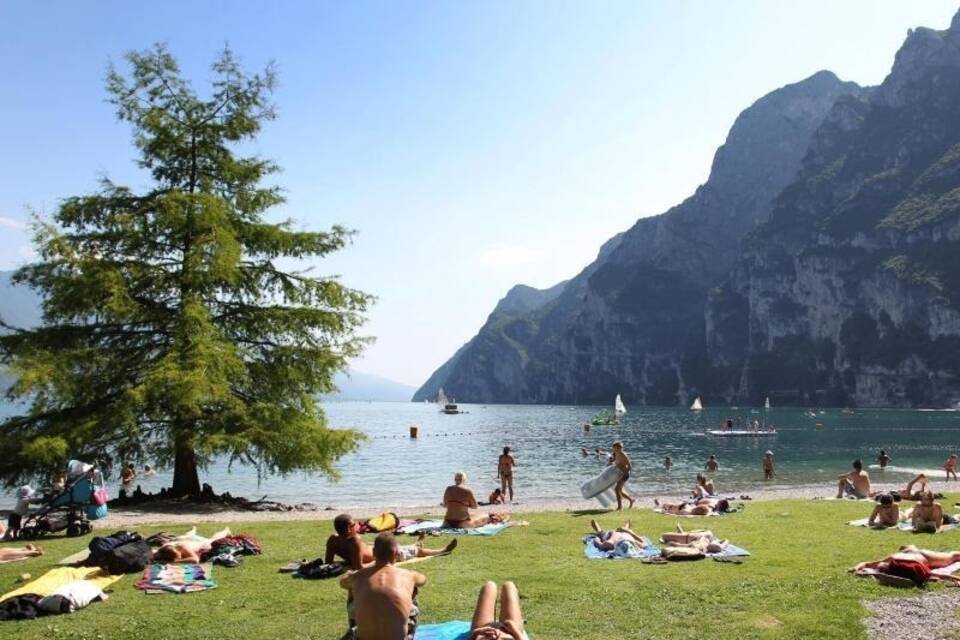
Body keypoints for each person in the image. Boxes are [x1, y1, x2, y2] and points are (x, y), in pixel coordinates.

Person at [340, 533, 427, 640]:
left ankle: (355, 626)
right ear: (396, 553)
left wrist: (356, 574)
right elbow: (423, 580)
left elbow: (343, 582)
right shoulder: (409, 576)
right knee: (413, 588)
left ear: (373, 553)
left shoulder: (357, 576)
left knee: (352, 588)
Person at [325, 514, 456, 570]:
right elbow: (358, 568)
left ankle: (416, 542)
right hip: (383, 555)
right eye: (354, 525)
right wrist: (376, 562)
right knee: (415, 552)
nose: (357, 527)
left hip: (374, 549)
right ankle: (443, 550)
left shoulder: (333, 539)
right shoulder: (354, 540)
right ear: (349, 529)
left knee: (397, 545)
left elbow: (328, 562)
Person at [851, 545, 960, 584]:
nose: (879, 565)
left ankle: (909, 547)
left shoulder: (894, 559)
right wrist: (855, 568)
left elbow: (933, 575)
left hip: (923, 555)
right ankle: (909, 547)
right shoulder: (892, 559)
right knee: (951, 556)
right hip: (916, 554)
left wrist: (855, 569)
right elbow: (865, 564)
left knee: (951, 557)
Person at [152, 526, 232, 563]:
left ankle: (226, 530)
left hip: (198, 543)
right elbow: (152, 553)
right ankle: (193, 530)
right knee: (188, 536)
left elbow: (195, 559)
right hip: (184, 539)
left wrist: (177, 561)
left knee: (211, 541)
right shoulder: (160, 552)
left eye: (179, 555)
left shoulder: (182, 546)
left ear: (178, 550)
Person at [610, 442, 634, 510]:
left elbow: (629, 465)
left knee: (617, 490)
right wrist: (611, 461)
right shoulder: (615, 454)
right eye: (615, 448)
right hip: (619, 474)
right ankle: (631, 500)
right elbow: (614, 461)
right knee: (619, 490)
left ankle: (620, 507)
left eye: (620, 448)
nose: (618, 449)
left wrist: (627, 473)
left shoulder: (623, 454)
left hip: (624, 474)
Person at [654, 497, 731, 516]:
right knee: (671, 506)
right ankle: (660, 505)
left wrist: (666, 512)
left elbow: (713, 511)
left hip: (690, 505)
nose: (718, 501)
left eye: (719, 502)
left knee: (671, 506)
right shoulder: (714, 506)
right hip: (691, 505)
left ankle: (660, 505)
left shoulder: (713, 506)